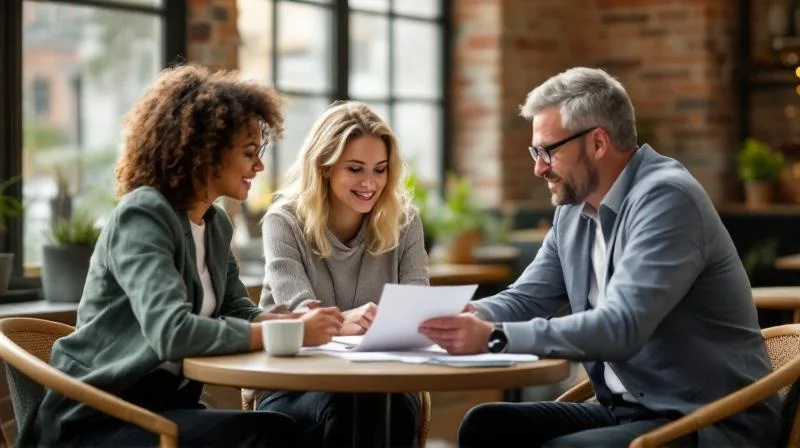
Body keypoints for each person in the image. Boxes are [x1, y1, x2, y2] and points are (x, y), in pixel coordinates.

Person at [418, 67, 782, 447]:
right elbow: (526, 298)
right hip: (632, 410)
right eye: (535, 152)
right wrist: (441, 321)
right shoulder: (573, 211)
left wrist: (494, 338)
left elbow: (621, 327)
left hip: (710, 420)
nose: (538, 167)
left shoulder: (668, 199)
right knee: (486, 426)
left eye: (548, 151)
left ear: (597, 143)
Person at [23, 64, 344, 448]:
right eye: (248, 152)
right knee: (269, 434)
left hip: (163, 408)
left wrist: (288, 318)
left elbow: (236, 308)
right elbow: (171, 332)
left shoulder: (216, 223)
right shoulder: (143, 214)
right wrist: (286, 333)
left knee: (309, 421)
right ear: (205, 152)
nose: (259, 165)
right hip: (96, 419)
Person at [255, 101, 429, 447]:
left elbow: (417, 309)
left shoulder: (404, 221)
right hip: (296, 384)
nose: (370, 183)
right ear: (323, 166)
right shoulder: (283, 221)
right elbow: (302, 310)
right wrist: (343, 321)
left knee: (377, 402)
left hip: (385, 383)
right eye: (355, 169)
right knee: (352, 404)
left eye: (380, 170)